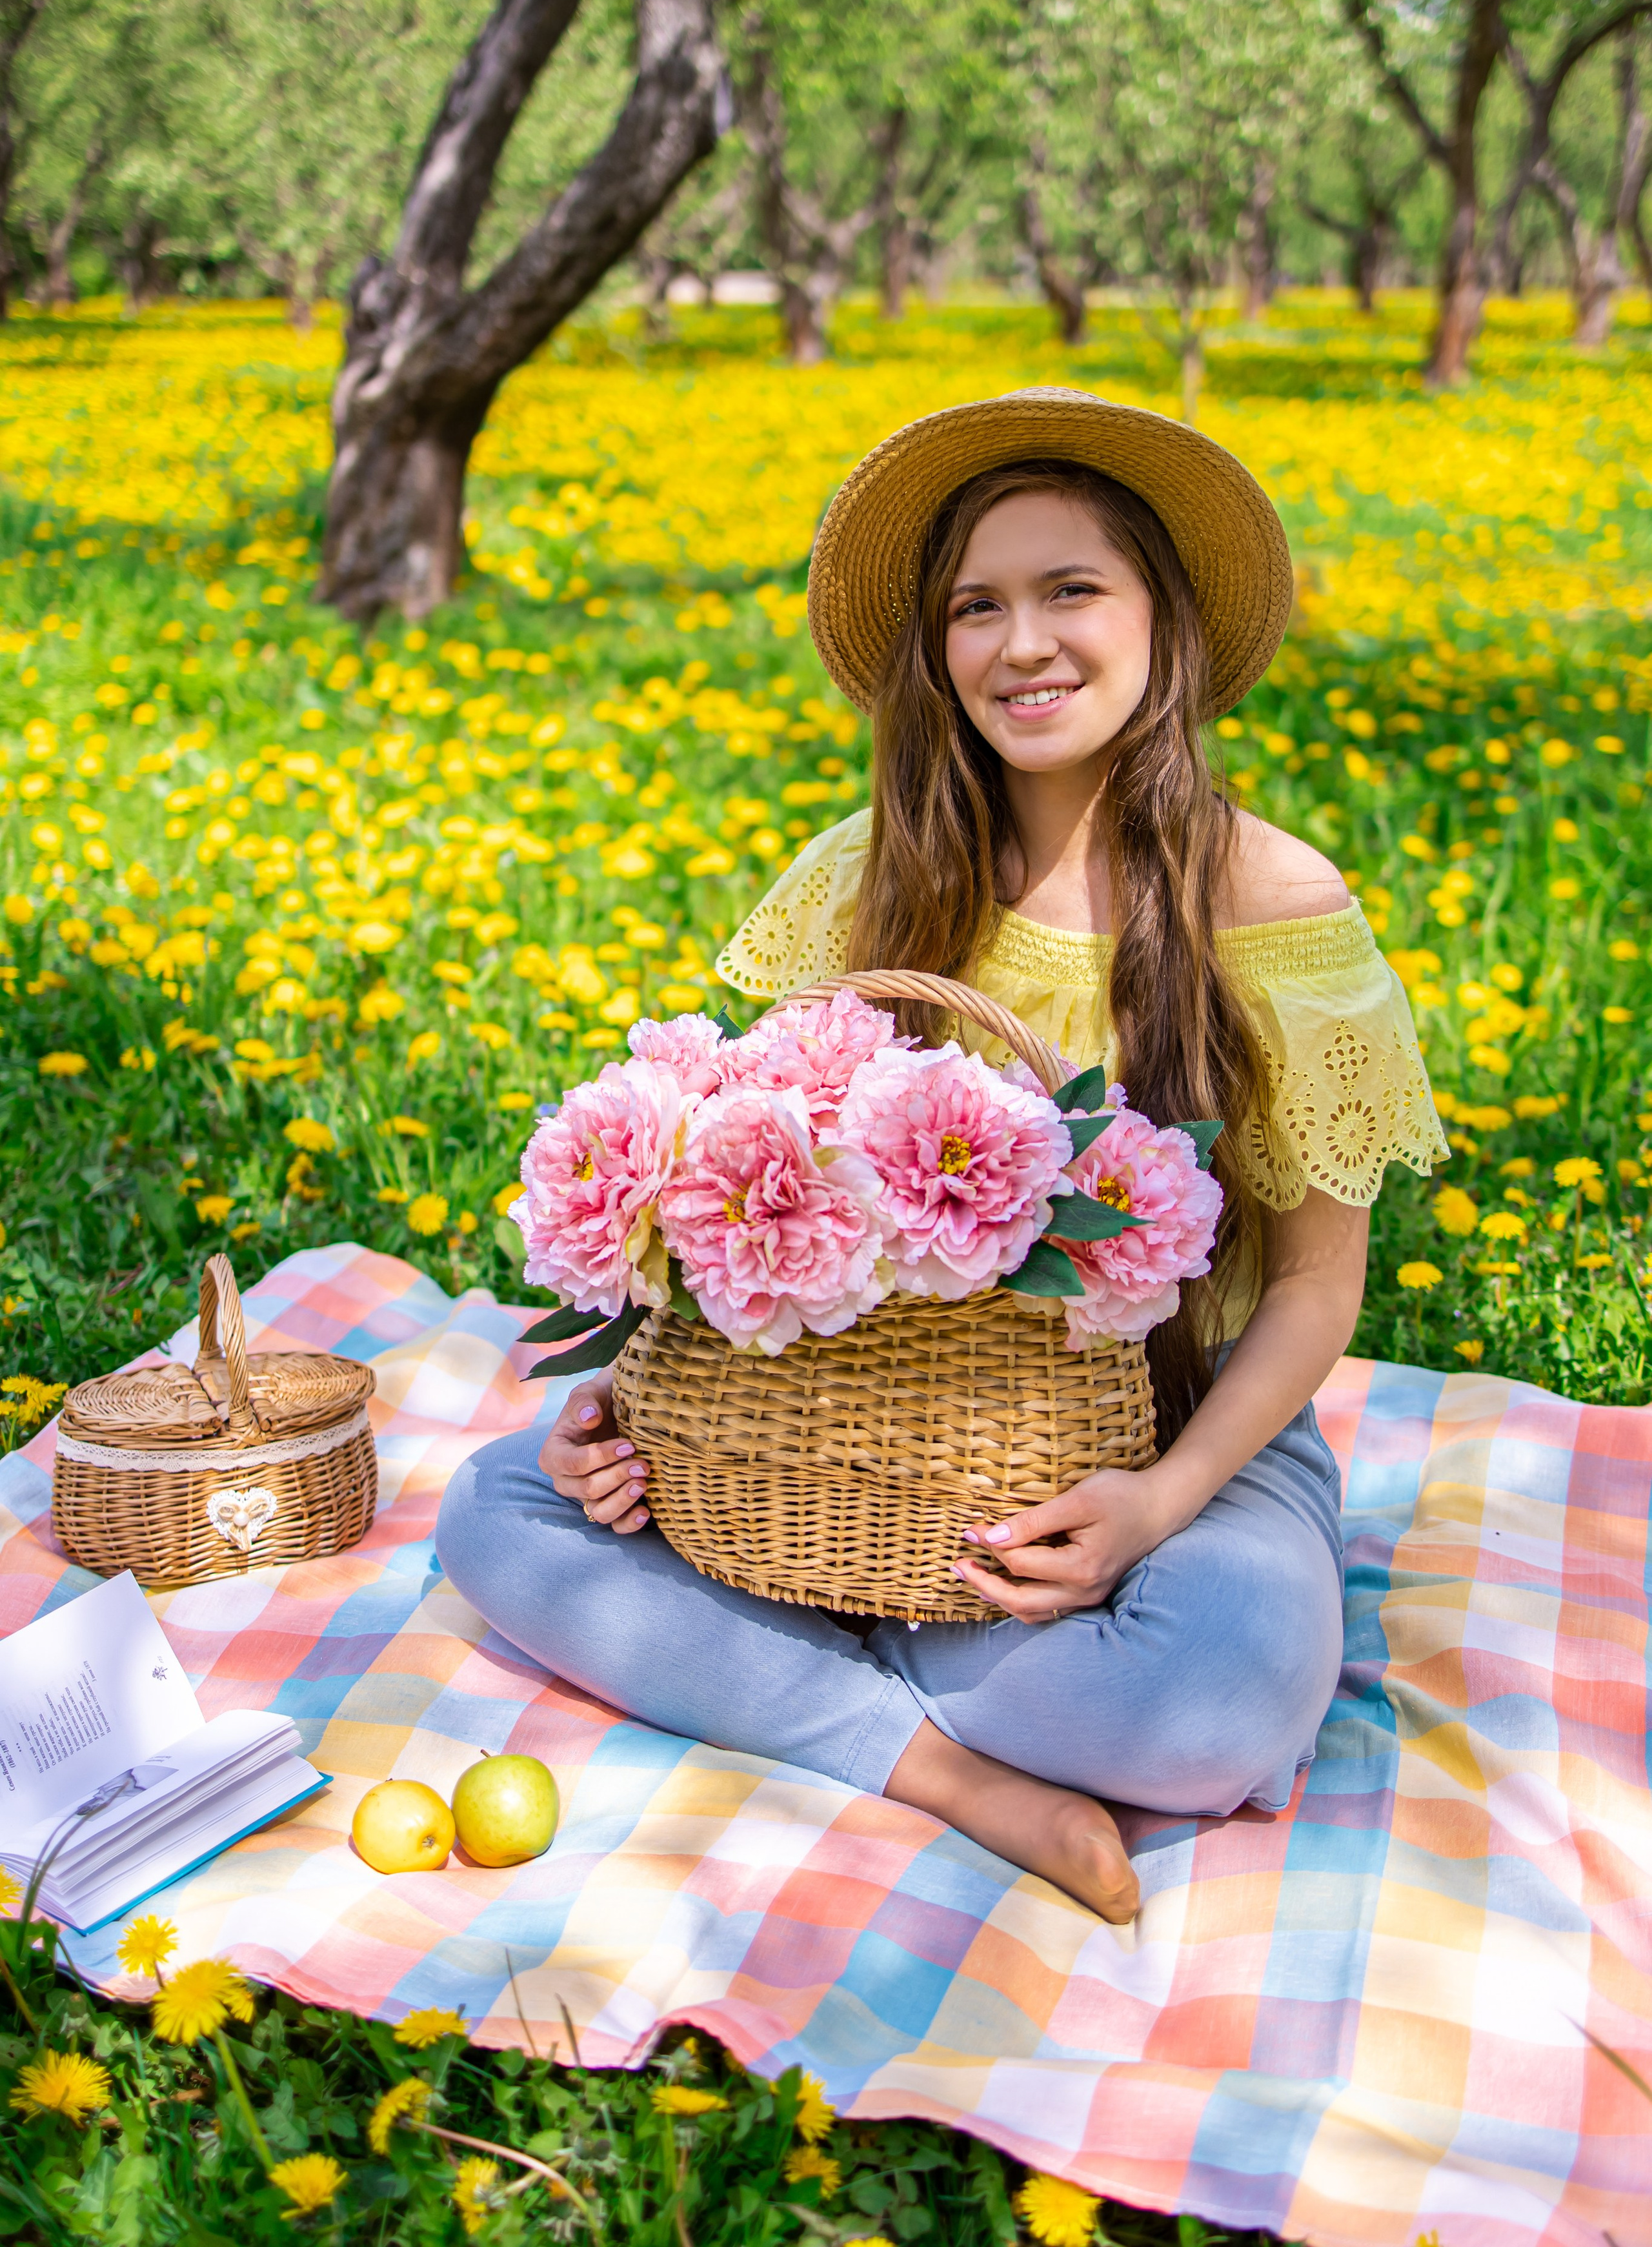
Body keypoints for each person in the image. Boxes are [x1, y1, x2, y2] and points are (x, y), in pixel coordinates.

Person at [436, 388, 1446, 1922]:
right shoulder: (870, 875)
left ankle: (791, 1637)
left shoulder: (1272, 902)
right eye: (975, 606)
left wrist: (1158, 1505)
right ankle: (949, 1770)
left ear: (1162, 621)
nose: (1020, 643)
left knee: (1210, 1701)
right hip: (852, 1424)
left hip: (1169, 1431)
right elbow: (747, 1196)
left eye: (1069, 589)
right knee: (496, 1511)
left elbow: (1312, 1285)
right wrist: (632, 1402)